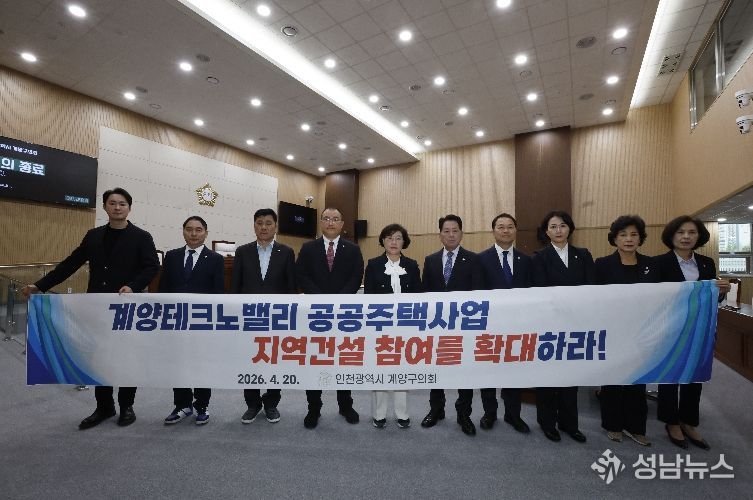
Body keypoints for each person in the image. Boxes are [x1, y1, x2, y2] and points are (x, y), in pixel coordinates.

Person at [21, 187, 159, 429]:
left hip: (127, 308)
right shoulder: (93, 236)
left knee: (127, 357)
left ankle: (127, 406)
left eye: (122, 203)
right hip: (97, 307)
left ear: (129, 208)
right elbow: (71, 264)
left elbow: (151, 267)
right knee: (99, 356)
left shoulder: (142, 237)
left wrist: (133, 286)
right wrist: (40, 285)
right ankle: (104, 407)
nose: (117, 207)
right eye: (112, 203)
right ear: (105, 207)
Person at [654, 215, 730, 450]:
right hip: (671, 328)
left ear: (699, 236)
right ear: (671, 236)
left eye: (691, 232)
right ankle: (671, 422)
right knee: (670, 375)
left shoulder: (706, 263)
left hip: (699, 330)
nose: (686, 237)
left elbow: (710, 297)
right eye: (681, 232)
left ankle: (689, 421)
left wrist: (721, 292)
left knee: (695, 376)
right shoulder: (659, 263)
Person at [295, 207, 364, 429]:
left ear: (342, 224)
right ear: (321, 222)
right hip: (315, 314)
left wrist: (338, 301)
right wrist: (321, 300)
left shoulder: (353, 249)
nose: (331, 222)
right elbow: (301, 275)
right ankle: (313, 408)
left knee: (343, 360)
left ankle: (345, 405)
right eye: (326, 218)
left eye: (335, 219)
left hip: (343, 315)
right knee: (315, 361)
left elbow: (356, 276)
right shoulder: (308, 248)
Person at [531, 210, 594, 443]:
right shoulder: (539, 257)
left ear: (570, 229)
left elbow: (591, 288)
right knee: (548, 377)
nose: (558, 230)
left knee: (570, 377)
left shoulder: (583, 254)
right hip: (549, 325)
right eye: (553, 227)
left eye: (563, 226)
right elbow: (539, 292)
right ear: (546, 232)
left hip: (576, 324)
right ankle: (547, 422)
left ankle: (570, 424)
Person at [594, 215, 657, 446]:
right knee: (612, 379)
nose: (629, 239)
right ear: (614, 239)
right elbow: (592, 298)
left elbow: (669, 293)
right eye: (623, 235)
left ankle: (636, 427)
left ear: (640, 238)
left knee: (638, 380)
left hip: (642, 332)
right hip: (613, 331)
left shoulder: (651, 265)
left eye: (633, 235)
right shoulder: (602, 264)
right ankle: (612, 425)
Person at [231, 208, 296, 425]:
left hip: (276, 318)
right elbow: (235, 285)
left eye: (268, 223)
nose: (264, 227)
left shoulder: (286, 252)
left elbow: (291, 287)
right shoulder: (243, 251)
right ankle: (252, 404)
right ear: (254, 226)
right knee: (250, 359)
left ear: (275, 226)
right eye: (259, 223)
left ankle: (271, 403)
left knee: (274, 361)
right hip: (249, 317)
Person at [159, 216, 224, 426]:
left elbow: (218, 292)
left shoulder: (215, 259)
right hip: (176, 321)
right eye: (189, 229)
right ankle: (182, 405)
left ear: (206, 232)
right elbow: (163, 289)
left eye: (198, 229)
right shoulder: (172, 256)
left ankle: (202, 405)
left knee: (201, 364)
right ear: (183, 231)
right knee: (178, 363)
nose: (193, 233)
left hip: (202, 323)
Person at [420, 214, 482, 436]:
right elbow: (425, 294)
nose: (451, 235)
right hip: (437, 326)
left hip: (464, 327)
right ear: (440, 235)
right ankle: (436, 409)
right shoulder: (430, 260)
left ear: (461, 233)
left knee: (464, 372)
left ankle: (464, 414)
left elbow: (477, 295)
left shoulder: (474, 260)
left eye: (455, 231)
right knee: (436, 369)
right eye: (446, 231)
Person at [476, 213, 531, 434]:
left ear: (515, 230)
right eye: (501, 227)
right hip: (489, 326)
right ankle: (489, 413)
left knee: (513, 372)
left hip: (517, 327)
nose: (505, 230)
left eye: (510, 227)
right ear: (493, 231)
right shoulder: (481, 259)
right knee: (488, 372)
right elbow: (477, 294)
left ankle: (513, 414)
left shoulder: (526, 260)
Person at [363, 223, 421, 429]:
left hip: (405, 327)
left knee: (401, 370)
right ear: (382, 241)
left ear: (404, 241)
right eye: (389, 238)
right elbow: (368, 298)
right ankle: (379, 414)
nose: (393, 242)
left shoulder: (412, 265)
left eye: (398, 238)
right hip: (381, 326)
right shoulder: (373, 264)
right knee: (380, 368)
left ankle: (402, 413)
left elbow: (418, 297)